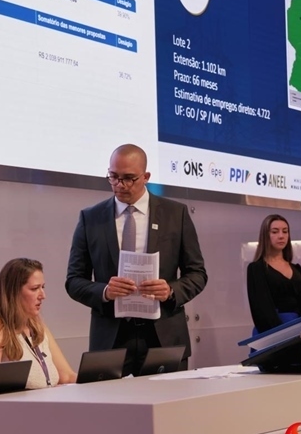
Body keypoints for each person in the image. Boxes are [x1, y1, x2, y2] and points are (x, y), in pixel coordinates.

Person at [65, 144, 207, 376]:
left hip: (164, 336)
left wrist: (171, 291)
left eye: (129, 178)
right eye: (113, 177)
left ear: (146, 177)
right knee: (112, 401)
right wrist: (105, 291)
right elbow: (73, 280)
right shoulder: (91, 218)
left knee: (168, 400)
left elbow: (198, 274)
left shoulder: (175, 214)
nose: (120, 185)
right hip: (111, 338)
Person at [0, 258, 77, 388]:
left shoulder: (37, 324)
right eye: (34, 288)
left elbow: (67, 376)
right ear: (13, 292)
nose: (43, 295)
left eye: (42, 287)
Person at [246, 214, 301, 334]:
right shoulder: (256, 269)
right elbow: (261, 310)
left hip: (299, 331)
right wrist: (283, 334)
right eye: (275, 232)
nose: (281, 236)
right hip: (272, 333)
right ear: (266, 235)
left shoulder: (297, 269)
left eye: (285, 231)